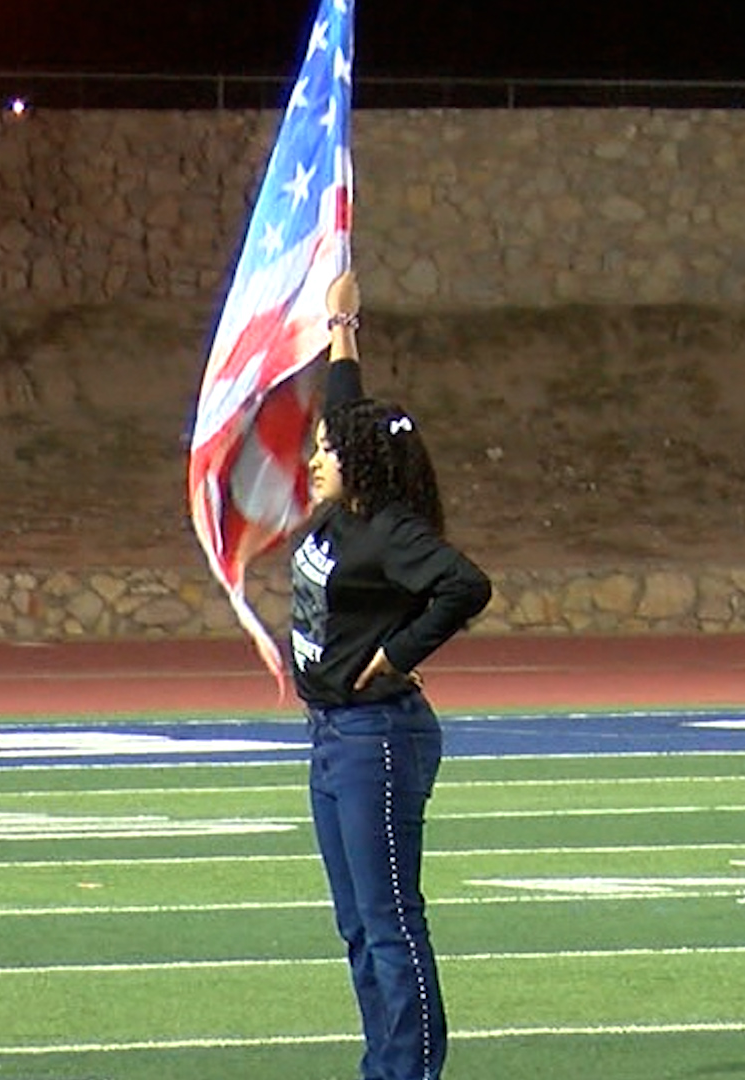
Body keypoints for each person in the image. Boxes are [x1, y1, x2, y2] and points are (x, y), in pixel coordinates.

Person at [293, 270, 493, 1080]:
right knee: (356, 923)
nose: (314, 459)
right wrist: (344, 328)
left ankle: (406, 1072)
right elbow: (347, 404)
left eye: (325, 452)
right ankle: (383, 1064)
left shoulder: (388, 531)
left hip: (377, 737)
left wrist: (400, 652)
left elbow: (466, 585)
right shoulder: (349, 510)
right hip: (333, 735)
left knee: (389, 920)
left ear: (362, 467)